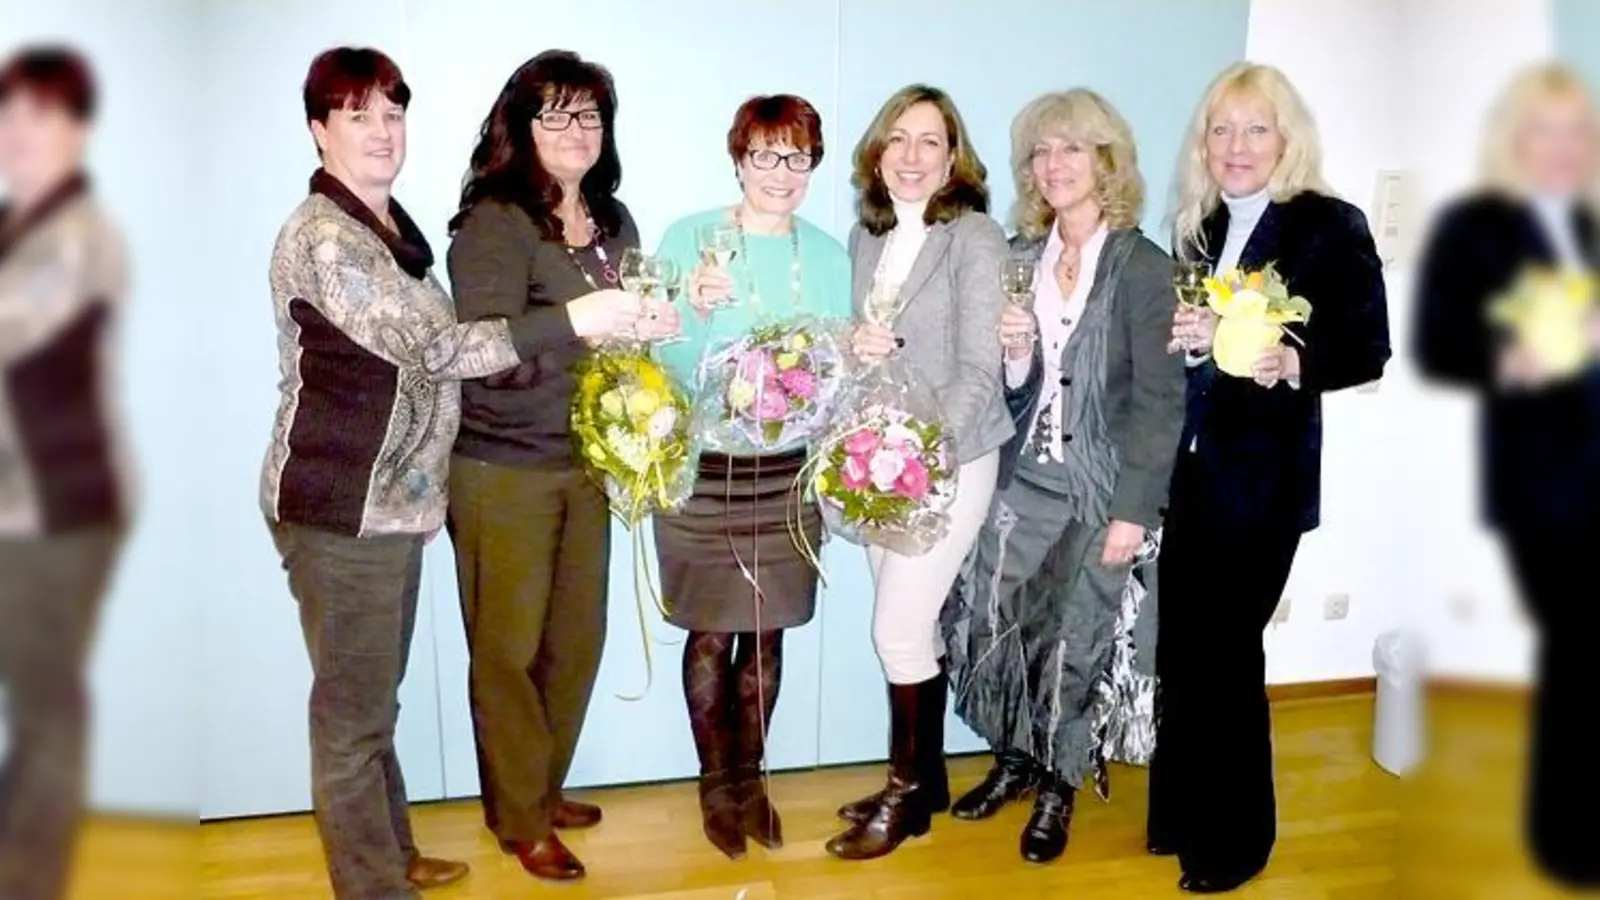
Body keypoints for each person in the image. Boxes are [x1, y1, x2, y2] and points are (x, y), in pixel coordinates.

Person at [261, 46, 644, 898]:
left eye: (392, 114)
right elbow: (442, 348)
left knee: (372, 707)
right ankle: (375, 884)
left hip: (393, 501)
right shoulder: (328, 239)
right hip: (341, 500)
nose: (381, 132)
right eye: (357, 115)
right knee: (355, 719)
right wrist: (578, 319)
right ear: (318, 129)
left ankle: (392, 857)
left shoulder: (387, 229)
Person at [1155, 61, 1391, 894]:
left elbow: (1368, 350)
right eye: (1221, 129)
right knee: (1181, 649)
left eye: (1255, 128)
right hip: (1188, 476)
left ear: (1286, 139)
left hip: (1262, 487)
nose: (1236, 145)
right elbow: (1190, 356)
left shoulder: (1329, 225)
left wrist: (1290, 359)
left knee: (1224, 655)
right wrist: (1188, 338)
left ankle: (1235, 844)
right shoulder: (1197, 224)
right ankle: (1179, 814)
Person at [444, 49, 676, 883]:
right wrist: (583, 318)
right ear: (520, 126)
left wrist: (648, 331)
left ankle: (538, 785)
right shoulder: (493, 223)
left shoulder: (615, 221)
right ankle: (519, 817)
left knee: (575, 642)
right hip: (502, 467)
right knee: (507, 649)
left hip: (588, 461)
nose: (576, 131)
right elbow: (483, 352)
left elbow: (615, 341)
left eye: (590, 115)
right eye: (555, 114)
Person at [940, 87, 1186, 864]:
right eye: (1042, 152)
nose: (1054, 165)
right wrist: (1016, 351)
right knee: (999, 622)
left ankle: (1058, 781)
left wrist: (1134, 511)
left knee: (1073, 641)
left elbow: (1158, 401)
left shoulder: (1146, 269)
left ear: (1106, 161)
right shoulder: (1021, 258)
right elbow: (1016, 387)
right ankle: (1013, 759)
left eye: (1071, 149)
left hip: (1099, 488)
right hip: (1019, 477)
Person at [1411, 63, 1600, 890]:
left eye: (1576, 131)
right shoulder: (1475, 229)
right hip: (1543, 479)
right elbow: (1438, 345)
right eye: (1543, 130)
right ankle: (1567, 841)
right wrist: (1511, 358)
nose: (1561, 148)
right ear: (1515, 140)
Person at [652, 93, 851, 860]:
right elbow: (660, 357)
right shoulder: (689, 238)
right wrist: (691, 308)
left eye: (796, 156)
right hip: (703, 469)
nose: (780, 172)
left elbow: (837, 372)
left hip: (786, 473)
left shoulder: (828, 256)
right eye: (765, 154)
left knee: (766, 635)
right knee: (710, 631)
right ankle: (714, 785)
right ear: (737, 158)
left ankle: (752, 777)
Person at [824, 84, 1012, 861]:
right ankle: (926, 778)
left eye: (929, 141)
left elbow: (980, 367)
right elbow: (858, 344)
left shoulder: (975, 236)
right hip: (879, 456)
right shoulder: (866, 237)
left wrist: (928, 457)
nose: (910, 156)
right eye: (897, 139)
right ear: (877, 152)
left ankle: (906, 799)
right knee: (914, 625)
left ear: (954, 157)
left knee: (897, 629)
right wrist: (848, 347)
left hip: (951, 456)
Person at [0, 44, 129, 900]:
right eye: (11, 113)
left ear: (79, 131)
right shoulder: (18, 223)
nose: (20, 132)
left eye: (43, 115)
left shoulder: (80, 237)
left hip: (55, 510)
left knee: (46, 706)